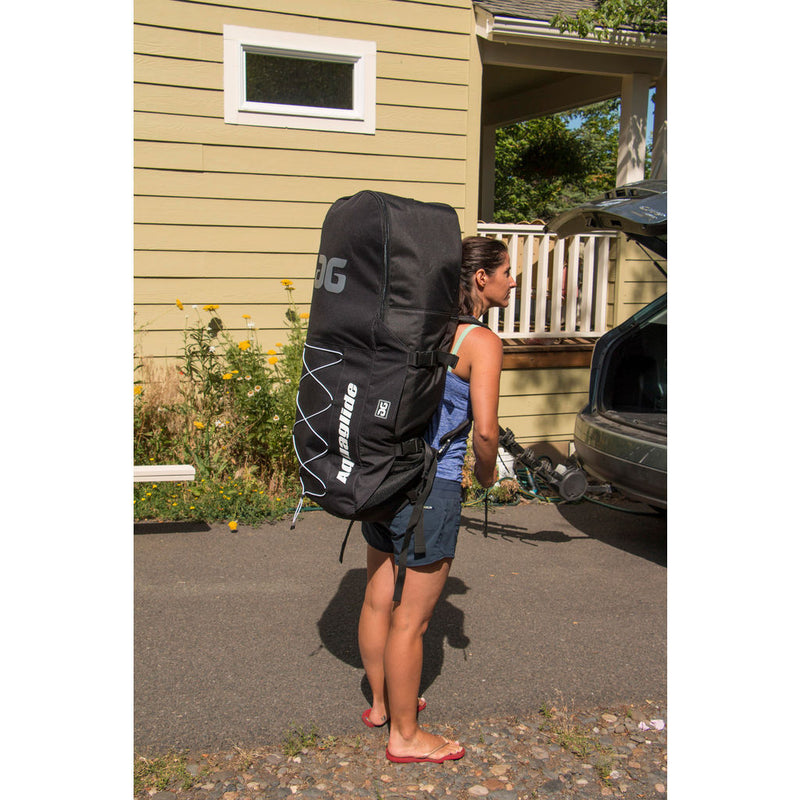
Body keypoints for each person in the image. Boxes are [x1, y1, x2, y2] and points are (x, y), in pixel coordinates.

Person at [357, 235, 515, 763]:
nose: (512, 281)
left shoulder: (417, 324)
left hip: (383, 477)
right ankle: (405, 736)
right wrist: (486, 475)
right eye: (506, 272)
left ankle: (382, 705)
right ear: (481, 278)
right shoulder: (481, 341)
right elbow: (485, 432)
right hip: (433, 486)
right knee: (413, 620)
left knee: (378, 597)